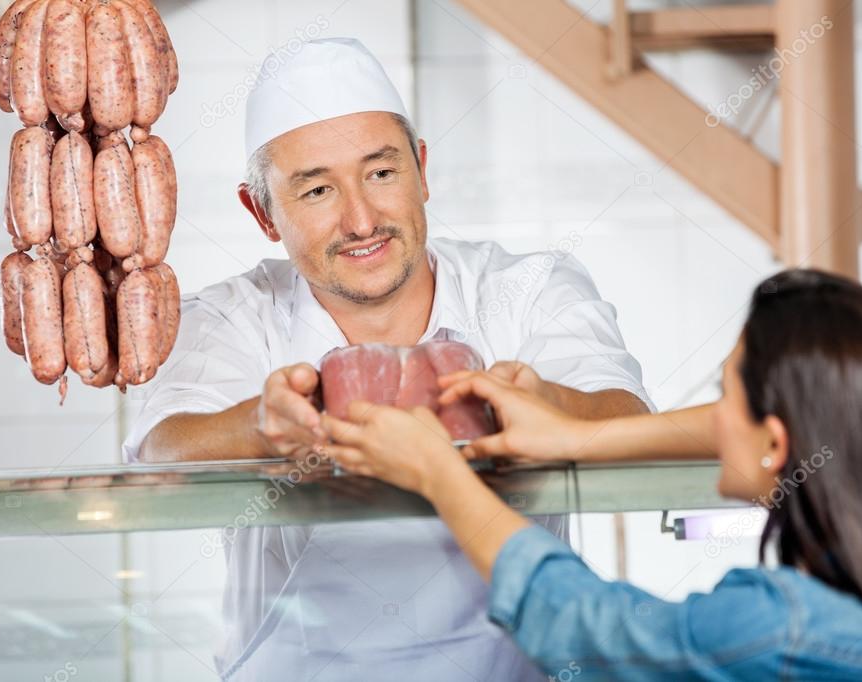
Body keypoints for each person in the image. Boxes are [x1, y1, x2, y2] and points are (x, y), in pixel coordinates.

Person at [122, 38, 652, 680]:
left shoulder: (530, 289)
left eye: (381, 173)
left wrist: (544, 403)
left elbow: (627, 418)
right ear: (261, 212)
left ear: (422, 170)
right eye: (316, 191)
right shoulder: (233, 316)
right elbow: (159, 447)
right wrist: (261, 425)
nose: (362, 219)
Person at [323, 269, 862, 681]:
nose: (711, 417)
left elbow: (582, 626)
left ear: (777, 442)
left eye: (723, 397)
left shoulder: (778, 631)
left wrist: (440, 475)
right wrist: (576, 434)